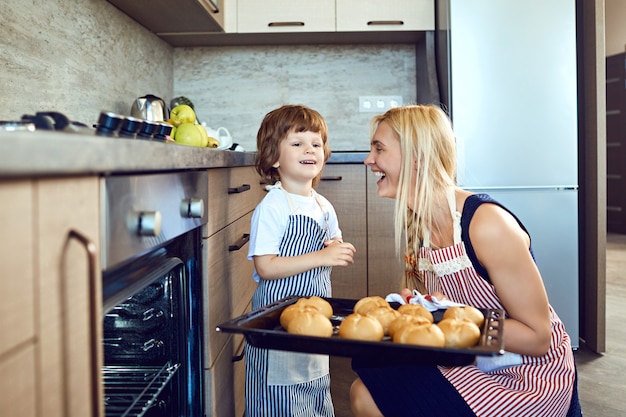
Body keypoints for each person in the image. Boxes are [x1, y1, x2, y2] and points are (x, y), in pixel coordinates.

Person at [350, 104, 580, 417]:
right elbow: (440, 305)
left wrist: (446, 316)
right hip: (471, 357)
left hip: (528, 377)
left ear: (418, 157)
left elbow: (538, 338)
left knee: (370, 393)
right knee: (364, 390)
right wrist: (420, 307)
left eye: (379, 148)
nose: (369, 159)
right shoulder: (419, 227)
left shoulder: (485, 224)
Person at [245, 104, 357, 417]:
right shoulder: (273, 206)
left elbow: (331, 240)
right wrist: (323, 255)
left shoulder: (323, 205)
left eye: (316, 144)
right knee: (279, 395)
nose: (309, 149)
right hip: (279, 315)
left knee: (312, 386)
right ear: (274, 157)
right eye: (297, 143)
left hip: (314, 312)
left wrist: (337, 246)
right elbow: (265, 267)